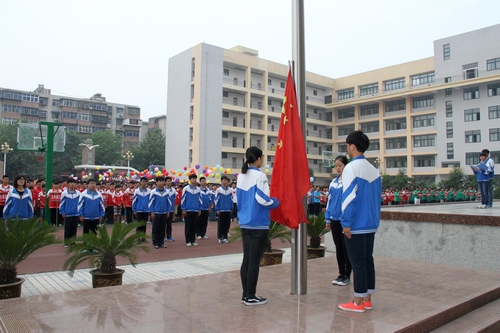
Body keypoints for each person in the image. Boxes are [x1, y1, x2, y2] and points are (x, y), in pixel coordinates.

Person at [338, 130, 382, 313]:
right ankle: (368, 298)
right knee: (367, 261)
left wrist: (346, 223)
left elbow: (349, 198)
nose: (347, 149)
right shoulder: (373, 169)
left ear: (352, 146)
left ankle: (358, 302)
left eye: (348, 145)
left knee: (357, 263)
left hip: (356, 225)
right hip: (371, 223)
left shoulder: (351, 168)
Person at [237, 146, 279, 306]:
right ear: (258, 159)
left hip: (245, 222)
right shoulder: (260, 176)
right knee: (254, 261)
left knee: (247, 259)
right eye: (262, 157)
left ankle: (245, 293)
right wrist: (276, 202)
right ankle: (251, 295)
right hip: (258, 224)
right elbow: (263, 199)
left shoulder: (242, 176)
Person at [325, 155, 352, 287]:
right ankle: (341, 273)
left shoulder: (348, 182)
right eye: (336, 165)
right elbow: (330, 201)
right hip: (334, 219)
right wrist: (327, 218)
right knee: (339, 248)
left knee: (346, 248)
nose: (338, 168)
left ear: (346, 166)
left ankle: (347, 274)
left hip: (345, 220)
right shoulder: (333, 183)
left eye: (340, 165)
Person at [149, 176, 170, 249]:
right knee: (155, 228)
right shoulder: (153, 192)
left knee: (163, 228)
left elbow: (168, 202)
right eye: (159, 181)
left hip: (164, 212)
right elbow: (151, 203)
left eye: (162, 181)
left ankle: (161, 242)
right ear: (156, 182)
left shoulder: (166, 192)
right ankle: (155, 242)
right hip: (156, 212)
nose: (161, 183)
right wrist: (152, 212)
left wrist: (168, 211)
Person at [59, 178, 80, 247]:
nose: (72, 184)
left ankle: (73, 242)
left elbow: (80, 204)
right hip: (68, 214)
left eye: (74, 183)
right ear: (68, 184)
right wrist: (62, 212)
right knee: (67, 228)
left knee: (74, 229)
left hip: (76, 214)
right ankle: (67, 242)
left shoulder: (78, 193)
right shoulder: (64, 193)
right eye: (71, 183)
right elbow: (62, 204)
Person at [181, 174, 201, 246]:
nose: (194, 180)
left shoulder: (198, 189)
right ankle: (188, 240)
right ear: (190, 180)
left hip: (195, 210)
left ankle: (193, 240)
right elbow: (183, 199)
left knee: (194, 226)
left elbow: (200, 200)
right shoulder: (186, 189)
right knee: (188, 226)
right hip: (188, 210)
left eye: (195, 179)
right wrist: (184, 209)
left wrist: (199, 209)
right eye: (193, 179)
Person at [132, 176, 151, 243]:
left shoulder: (149, 191)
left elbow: (150, 201)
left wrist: (150, 209)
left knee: (144, 225)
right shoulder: (137, 191)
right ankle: (138, 238)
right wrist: (134, 210)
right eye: (142, 181)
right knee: (138, 225)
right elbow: (134, 201)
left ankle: (143, 237)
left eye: (145, 181)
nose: (144, 183)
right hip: (139, 210)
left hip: (146, 210)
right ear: (140, 182)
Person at [215, 175, 233, 243]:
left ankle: (225, 237)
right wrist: (217, 209)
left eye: (226, 180)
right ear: (221, 181)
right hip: (221, 210)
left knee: (227, 224)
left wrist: (231, 208)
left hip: (228, 210)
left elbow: (232, 199)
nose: (225, 182)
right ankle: (220, 237)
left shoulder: (230, 190)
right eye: (224, 180)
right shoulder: (219, 190)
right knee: (221, 224)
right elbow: (216, 200)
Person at [164, 176, 177, 242]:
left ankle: (169, 236)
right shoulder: (162, 190)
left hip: (171, 209)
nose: (169, 182)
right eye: (168, 181)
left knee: (169, 224)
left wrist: (173, 207)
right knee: (163, 224)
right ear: (165, 182)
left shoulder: (173, 190)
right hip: (164, 210)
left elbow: (174, 199)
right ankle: (163, 236)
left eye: (170, 181)